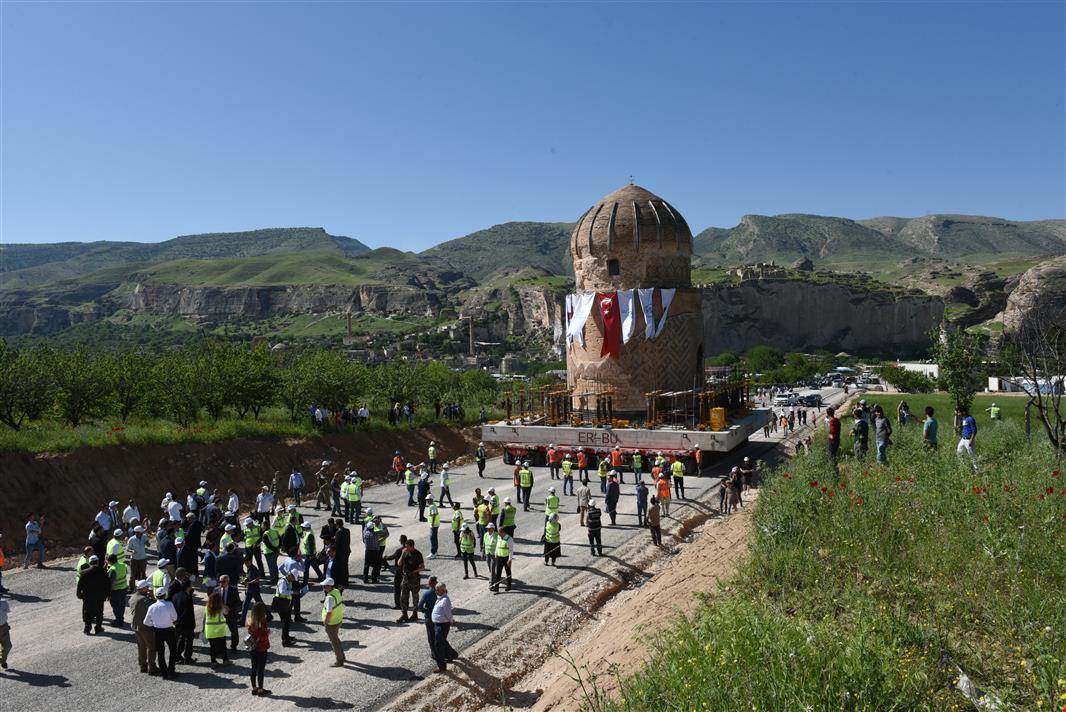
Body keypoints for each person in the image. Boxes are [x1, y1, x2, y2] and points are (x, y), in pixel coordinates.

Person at [144, 587, 178, 679]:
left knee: (160, 652)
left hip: (157, 631)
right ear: (165, 595)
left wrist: (154, 623)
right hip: (169, 630)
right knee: (173, 650)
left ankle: (164, 673)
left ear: (156, 596)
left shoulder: (151, 607)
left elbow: (146, 622)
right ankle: (171, 670)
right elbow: (175, 617)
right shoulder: (169, 604)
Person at [130, 580, 157, 674]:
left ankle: (143, 666)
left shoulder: (133, 597)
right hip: (146, 627)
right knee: (152, 647)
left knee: (141, 647)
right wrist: (153, 597)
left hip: (136, 626)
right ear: (142, 588)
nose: (148, 589)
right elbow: (154, 607)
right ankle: (152, 668)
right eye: (147, 588)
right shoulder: (145, 599)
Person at [76, 554, 109, 634]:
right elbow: (107, 584)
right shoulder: (103, 571)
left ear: (90, 563)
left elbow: (80, 585)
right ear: (97, 562)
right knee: (99, 612)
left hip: (87, 596)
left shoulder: (84, 572)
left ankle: (87, 629)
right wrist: (108, 594)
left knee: (87, 612)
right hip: (99, 596)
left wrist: (79, 594)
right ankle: (98, 628)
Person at [430, 583, 457, 673]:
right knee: (442, 642)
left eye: (437, 590)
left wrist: (451, 621)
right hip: (438, 624)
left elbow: (448, 613)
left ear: (442, 590)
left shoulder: (445, 600)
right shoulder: (440, 598)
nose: (436, 591)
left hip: (442, 625)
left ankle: (442, 667)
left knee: (438, 646)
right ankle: (452, 655)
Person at [246, 601, 272, 696]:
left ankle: (254, 688)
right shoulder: (263, 621)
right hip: (261, 648)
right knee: (261, 669)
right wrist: (268, 633)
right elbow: (263, 636)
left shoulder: (250, 620)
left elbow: (252, 633)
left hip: (253, 648)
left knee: (254, 668)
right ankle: (261, 690)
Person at [397, 539, 425, 622]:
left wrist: (414, 571)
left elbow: (422, 567)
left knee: (415, 598)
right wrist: (402, 554)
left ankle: (415, 614)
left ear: (412, 546)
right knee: (403, 597)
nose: (405, 548)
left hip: (414, 578)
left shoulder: (417, 554)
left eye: (407, 546)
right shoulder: (405, 552)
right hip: (405, 578)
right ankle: (404, 614)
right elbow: (399, 563)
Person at [321, 577, 346, 666]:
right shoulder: (336, 591)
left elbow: (329, 612)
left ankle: (340, 660)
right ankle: (342, 656)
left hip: (332, 623)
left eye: (324, 586)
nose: (323, 588)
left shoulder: (329, 598)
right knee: (336, 639)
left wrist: (325, 622)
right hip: (338, 619)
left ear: (329, 586)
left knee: (334, 642)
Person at [171, 578, 196, 664]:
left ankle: (177, 656)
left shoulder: (175, 596)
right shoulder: (188, 598)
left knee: (180, 640)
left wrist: (176, 620)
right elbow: (188, 612)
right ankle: (187, 658)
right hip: (187, 624)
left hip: (178, 623)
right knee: (189, 642)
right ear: (188, 587)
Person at [204, 591, 230, 667]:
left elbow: (205, 618)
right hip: (220, 631)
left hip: (210, 631)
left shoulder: (207, 607)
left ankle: (213, 662)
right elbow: (227, 612)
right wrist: (224, 605)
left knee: (212, 647)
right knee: (223, 647)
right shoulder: (221, 608)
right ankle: (225, 660)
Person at [273, 571, 296, 646]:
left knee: (287, 621)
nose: (293, 580)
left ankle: (286, 636)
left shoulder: (288, 580)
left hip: (285, 603)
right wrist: (292, 592)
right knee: (285, 622)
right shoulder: (283, 581)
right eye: (293, 578)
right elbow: (282, 592)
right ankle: (285, 641)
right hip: (280, 603)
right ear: (290, 575)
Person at [417, 576, 439, 656]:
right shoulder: (441, 591)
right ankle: (447, 653)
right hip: (439, 616)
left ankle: (434, 654)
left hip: (430, 616)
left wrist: (425, 611)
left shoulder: (427, 593)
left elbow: (419, 606)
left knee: (431, 637)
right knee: (439, 636)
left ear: (430, 583)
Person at [106, 553, 129, 626]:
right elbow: (125, 573)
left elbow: (111, 582)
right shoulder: (123, 565)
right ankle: (121, 618)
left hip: (116, 590)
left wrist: (109, 593)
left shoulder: (112, 569)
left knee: (115, 606)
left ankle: (119, 621)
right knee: (122, 604)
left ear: (109, 561)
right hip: (124, 588)